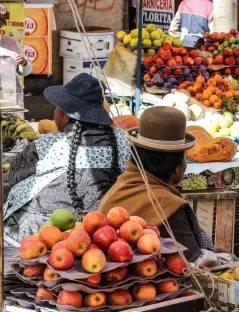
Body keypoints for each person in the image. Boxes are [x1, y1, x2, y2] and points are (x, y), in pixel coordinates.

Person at [3, 73, 129, 247]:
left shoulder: (45, 146)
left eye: (57, 108)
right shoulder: (123, 142)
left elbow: (14, 177)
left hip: (34, 236)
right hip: (97, 236)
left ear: (65, 116)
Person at [99, 106, 214, 262]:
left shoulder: (118, 189)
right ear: (177, 168)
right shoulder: (168, 205)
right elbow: (193, 262)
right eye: (184, 157)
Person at [0, 32, 32, 107]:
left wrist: (23, 63)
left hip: (10, 94)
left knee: (13, 118)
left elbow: (23, 71)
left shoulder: (12, 43)